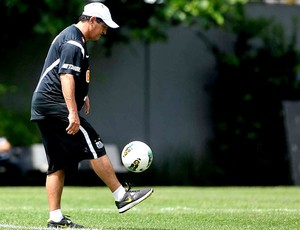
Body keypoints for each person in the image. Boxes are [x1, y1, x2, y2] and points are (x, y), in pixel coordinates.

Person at [30, 2, 153, 228]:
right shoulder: (74, 42)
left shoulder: (72, 37)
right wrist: (72, 112)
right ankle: (121, 196)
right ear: (92, 20)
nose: (105, 31)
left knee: (56, 164)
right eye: (104, 26)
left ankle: (55, 219)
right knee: (94, 142)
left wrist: (81, 95)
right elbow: (65, 76)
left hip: (43, 107)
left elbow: (64, 73)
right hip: (54, 105)